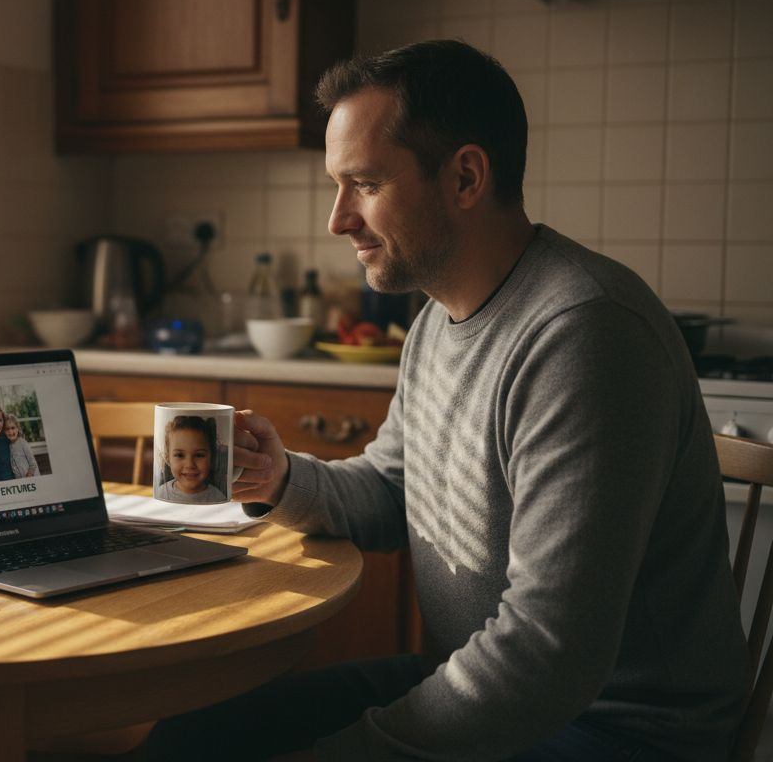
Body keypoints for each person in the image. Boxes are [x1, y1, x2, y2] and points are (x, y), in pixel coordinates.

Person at [146, 40, 749, 761]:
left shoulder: (585, 334)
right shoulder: (436, 319)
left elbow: (545, 653)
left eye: (364, 184)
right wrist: (279, 480)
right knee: (189, 738)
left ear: (465, 176)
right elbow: (391, 487)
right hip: (493, 685)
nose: (339, 220)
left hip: (615, 727)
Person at [154, 415, 227, 504]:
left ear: (212, 458)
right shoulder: (161, 493)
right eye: (180, 455)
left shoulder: (217, 497)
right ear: (168, 459)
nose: (189, 464)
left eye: (199, 455)